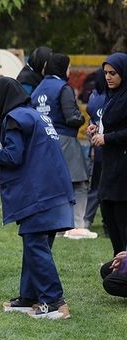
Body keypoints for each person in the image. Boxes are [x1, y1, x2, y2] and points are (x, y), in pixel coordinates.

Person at [0, 76, 73, 320]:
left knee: (35, 243)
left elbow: (13, 157)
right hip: (55, 189)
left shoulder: (14, 118)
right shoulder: (35, 115)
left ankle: (54, 302)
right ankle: (29, 297)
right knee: (35, 243)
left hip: (40, 193)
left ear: (2, 96)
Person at [31, 53, 94, 239]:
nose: (70, 70)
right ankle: (76, 225)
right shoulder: (63, 88)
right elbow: (72, 117)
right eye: (68, 67)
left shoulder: (38, 88)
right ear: (61, 68)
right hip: (64, 139)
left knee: (53, 184)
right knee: (79, 182)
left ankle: (56, 226)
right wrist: (82, 118)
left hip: (43, 141)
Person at [90, 52, 127, 257]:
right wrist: (97, 129)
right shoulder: (111, 97)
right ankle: (118, 261)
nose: (108, 77)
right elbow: (112, 124)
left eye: (113, 73)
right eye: (105, 73)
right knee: (108, 212)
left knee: (121, 216)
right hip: (110, 164)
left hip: (123, 166)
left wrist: (108, 138)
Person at [84, 68, 106, 230]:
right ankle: (107, 223)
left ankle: (86, 220)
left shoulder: (93, 99)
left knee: (96, 186)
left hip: (98, 151)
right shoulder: (115, 98)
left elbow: (91, 121)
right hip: (113, 150)